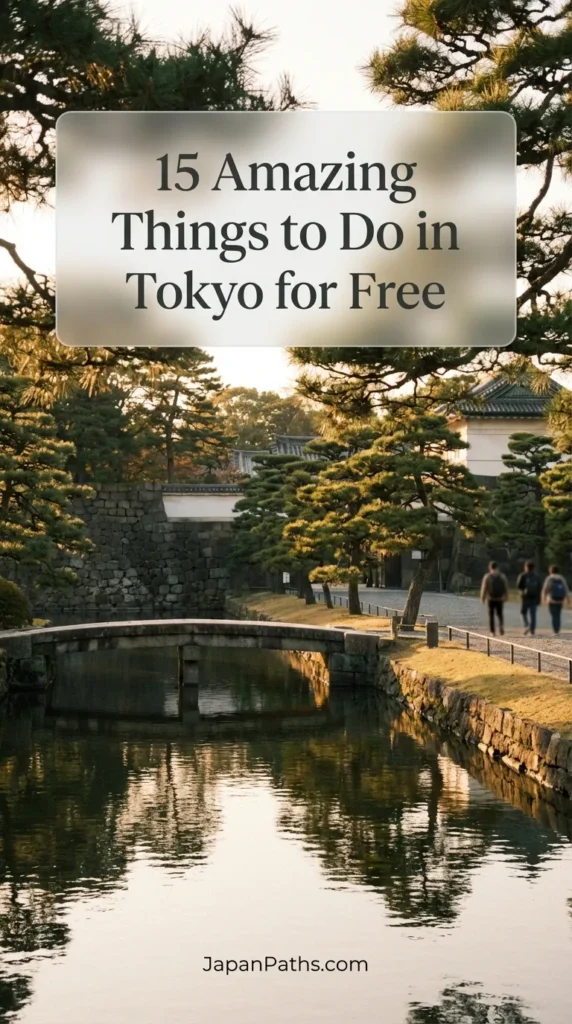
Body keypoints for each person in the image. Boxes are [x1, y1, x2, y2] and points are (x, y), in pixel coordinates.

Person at [480, 561, 509, 636]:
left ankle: (492, 631)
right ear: (497, 567)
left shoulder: (487, 576)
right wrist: (506, 596)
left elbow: (484, 588)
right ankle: (501, 627)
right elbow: (505, 588)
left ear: (490, 567)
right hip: (500, 598)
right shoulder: (502, 576)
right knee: (500, 614)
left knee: (491, 615)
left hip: (491, 598)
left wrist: (482, 597)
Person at [541, 565, 571, 635]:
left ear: (550, 571)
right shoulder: (562, 579)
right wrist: (568, 599)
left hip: (552, 600)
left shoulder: (549, 578)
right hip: (560, 600)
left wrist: (544, 598)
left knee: (554, 615)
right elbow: (566, 589)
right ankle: (557, 629)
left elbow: (545, 589)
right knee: (558, 615)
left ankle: (555, 629)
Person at [516, 560, 541, 636]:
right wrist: (538, 599)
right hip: (534, 597)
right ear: (533, 568)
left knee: (523, 612)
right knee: (533, 614)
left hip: (525, 597)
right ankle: (532, 630)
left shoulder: (523, 575)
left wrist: (523, 590)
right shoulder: (536, 576)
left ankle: (526, 625)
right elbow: (539, 587)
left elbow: (518, 586)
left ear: (526, 567)